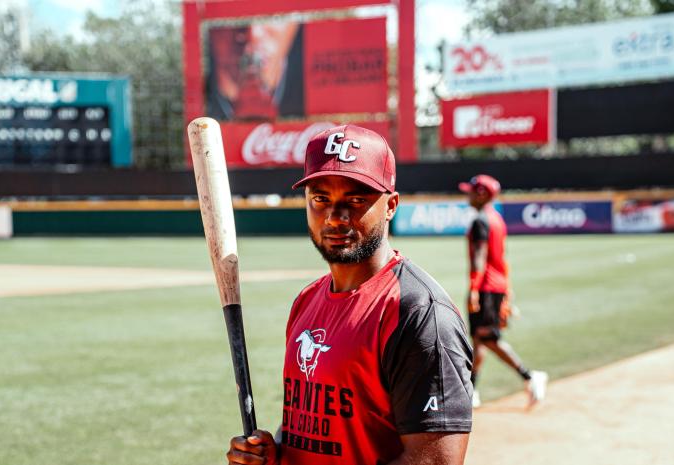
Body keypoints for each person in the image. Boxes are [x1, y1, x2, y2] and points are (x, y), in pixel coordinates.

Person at [227, 125, 474, 465]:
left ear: (391, 205)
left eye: (356, 200)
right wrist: (274, 453)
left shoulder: (419, 314)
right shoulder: (307, 300)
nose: (335, 217)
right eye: (320, 199)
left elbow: (435, 461)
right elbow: (311, 428)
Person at [459, 175, 546, 409]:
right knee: (478, 339)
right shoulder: (496, 219)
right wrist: (507, 290)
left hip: (486, 286)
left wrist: (474, 289)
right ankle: (472, 391)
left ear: (482, 194)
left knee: (487, 338)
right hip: (496, 285)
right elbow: (502, 259)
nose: (466, 194)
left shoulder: (480, 221)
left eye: (470, 191)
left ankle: (529, 376)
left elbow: (480, 258)